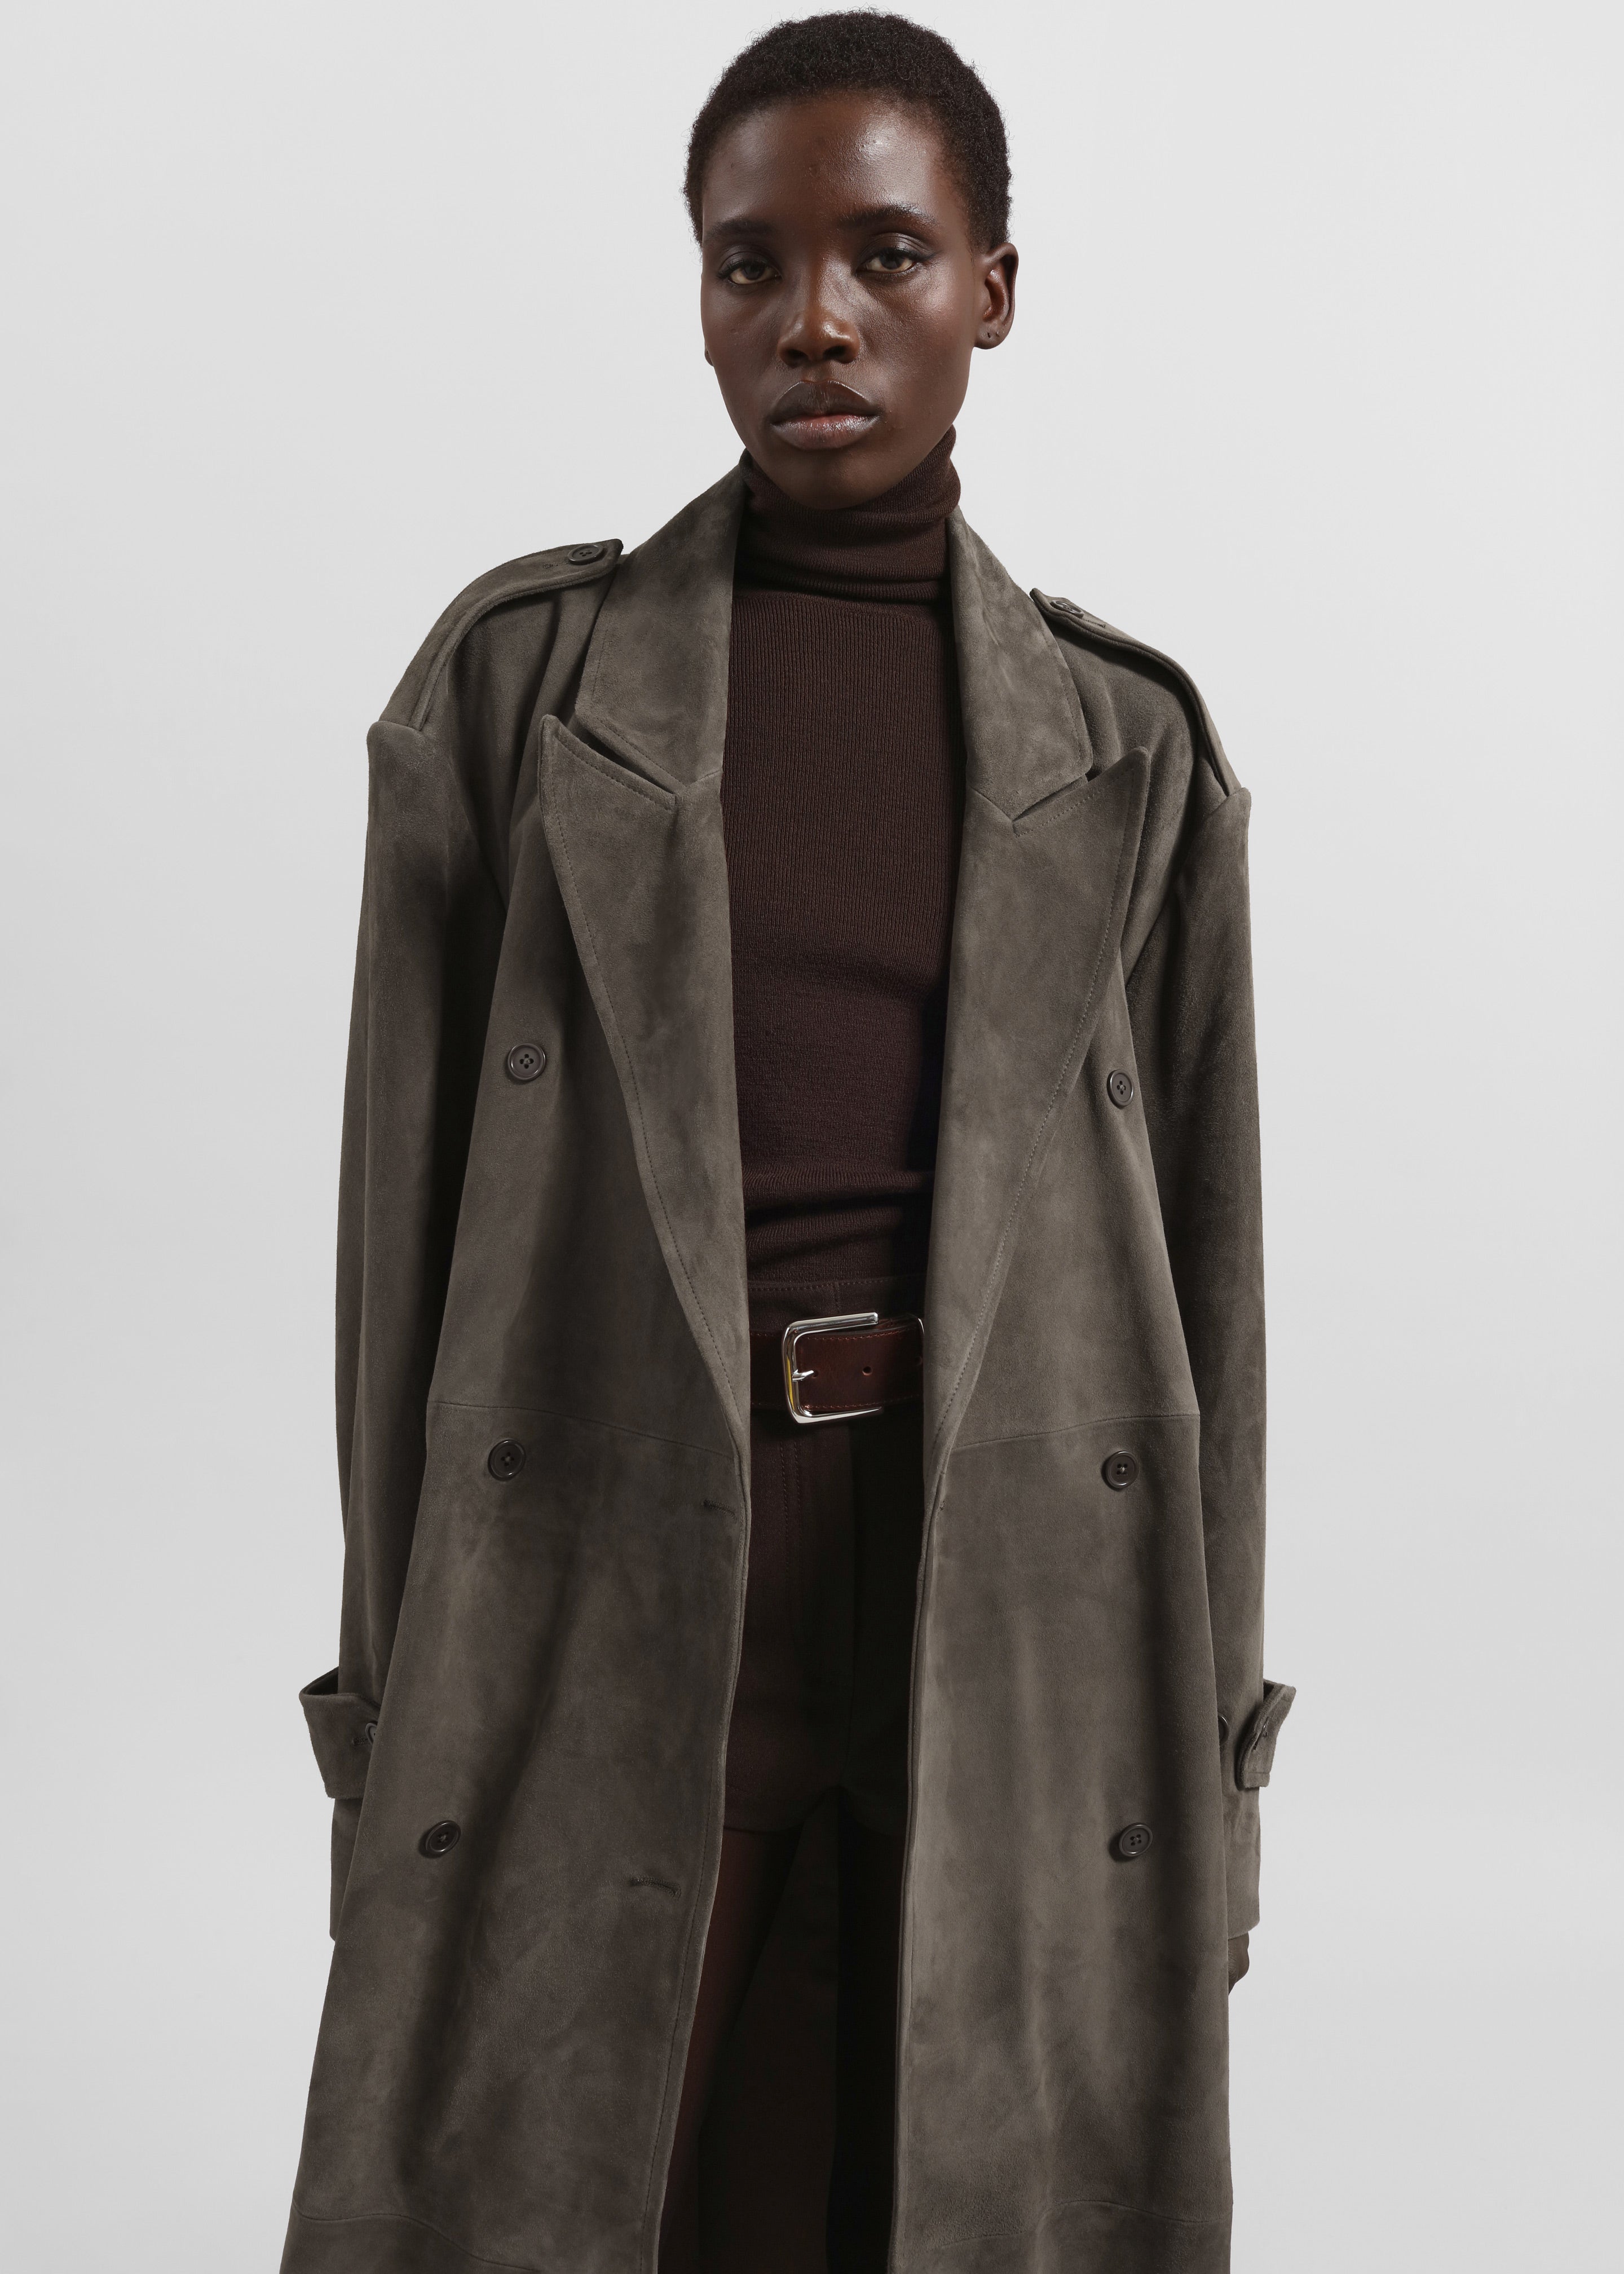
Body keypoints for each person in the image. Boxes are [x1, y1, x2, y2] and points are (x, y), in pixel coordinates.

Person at [283, 16, 1293, 2274]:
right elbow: (395, 1271)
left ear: (992, 291)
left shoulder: (1132, 748)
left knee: (928, 2191)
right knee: (582, 2181)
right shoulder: (517, 696)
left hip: (1007, 1600)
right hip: (625, 1570)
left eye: (887, 256)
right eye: (752, 263)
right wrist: (395, 1709)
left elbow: (1208, 1318)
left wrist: (1204, 1760)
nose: (815, 319)